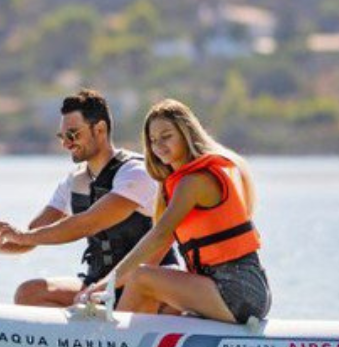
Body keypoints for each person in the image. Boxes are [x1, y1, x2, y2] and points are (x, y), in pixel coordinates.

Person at [82, 98, 271, 324]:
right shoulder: (176, 186)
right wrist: (107, 287)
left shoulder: (195, 181)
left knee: (143, 277)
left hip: (239, 291)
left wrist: (109, 281)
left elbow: (159, 234)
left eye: (167, 136)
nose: (159, 146)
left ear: (186, 134)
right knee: (159, 294)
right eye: (153, 140)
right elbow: (158, 249)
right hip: (230, 288)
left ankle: (113, 345)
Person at [0, 89, 162, 307]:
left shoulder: (136, 173)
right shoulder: (75, 181)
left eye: (73, 134)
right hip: (98, 287)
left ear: (100, 129)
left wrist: (22, 236)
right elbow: (33, 234)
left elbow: (85, 224)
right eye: (62, 136)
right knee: (29, 293)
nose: (66, 143)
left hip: (141, 286)